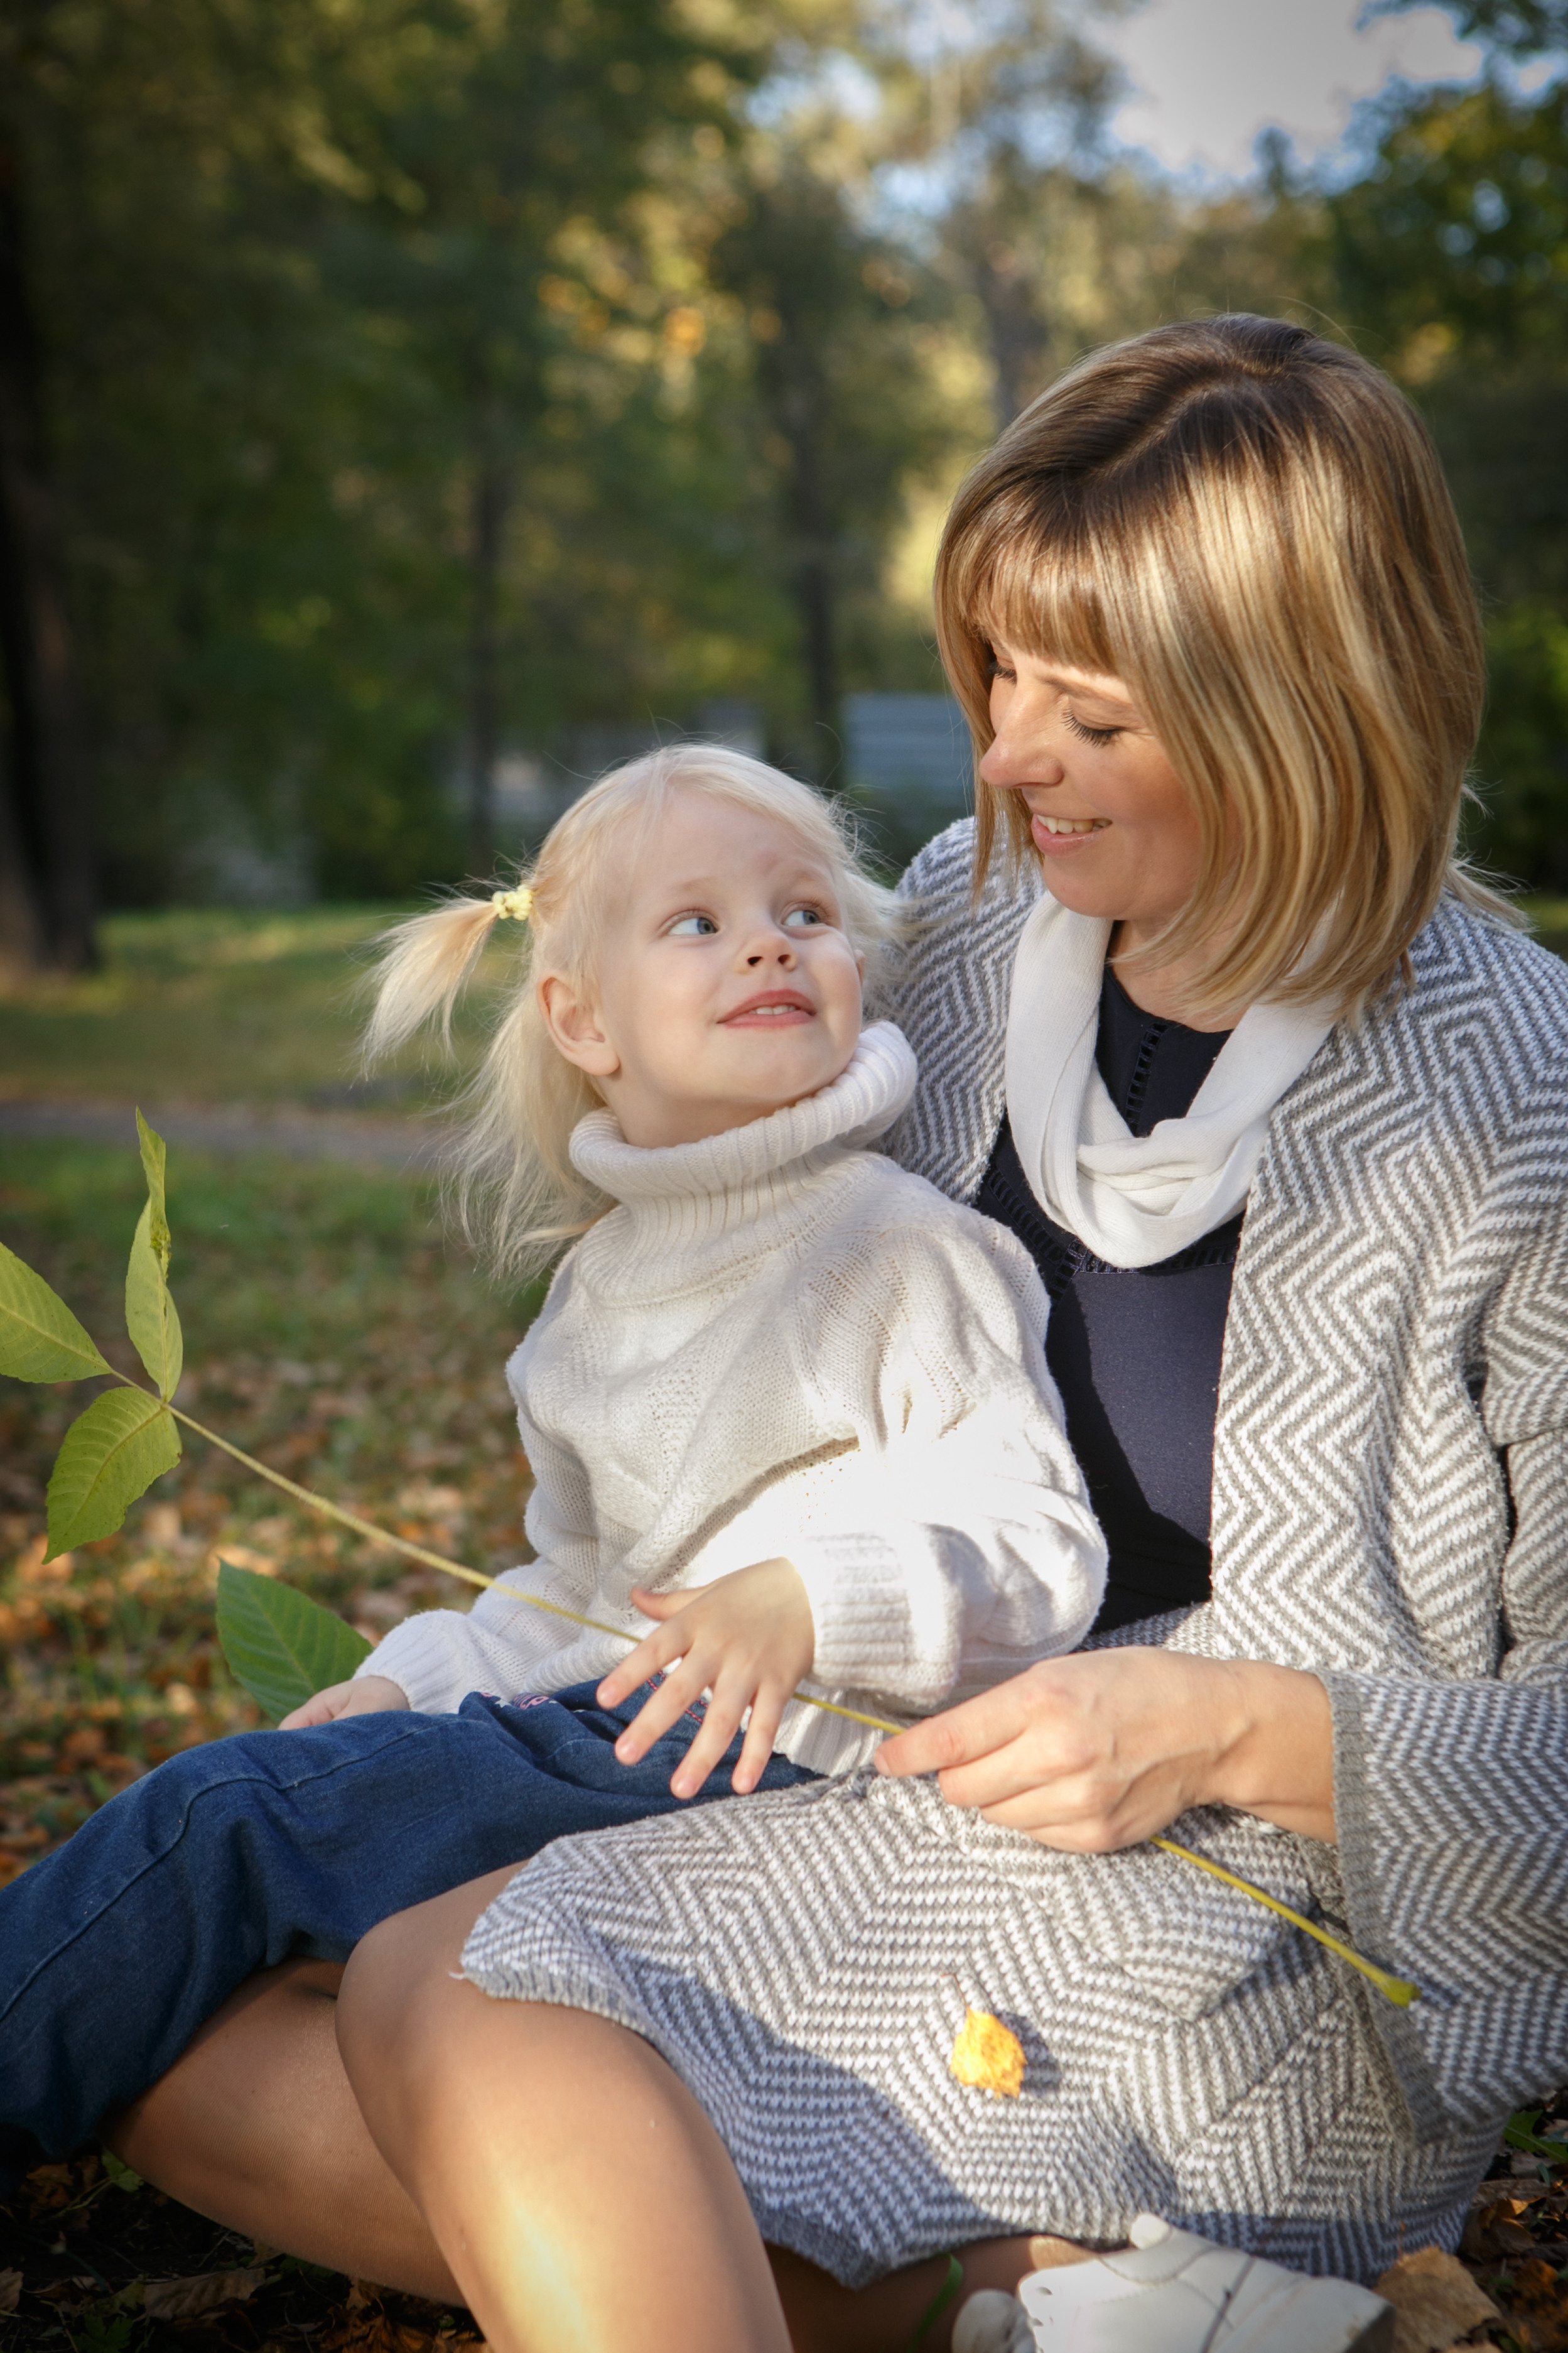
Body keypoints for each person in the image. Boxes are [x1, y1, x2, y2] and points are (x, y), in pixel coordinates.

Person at [141, 313, 1562, 2351]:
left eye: (1084, 712)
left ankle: (1128, 2257)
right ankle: (1052, 2296)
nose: (999, 759)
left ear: (1295, 703)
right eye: (992, 678)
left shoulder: (1516, 1099)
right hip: (856, 1771)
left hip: (1253, 1933)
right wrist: (448, 1677)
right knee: (186, 2026)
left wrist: (1234, 1726)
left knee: (450, 1994)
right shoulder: (968, 929)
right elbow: (704, 1274)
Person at [0, 745, 1108, 2227]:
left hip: (790, 1778)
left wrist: (811, 1598)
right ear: (581, 1019)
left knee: (228, 1823)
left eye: (803, 911)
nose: (771, 940)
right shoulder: (592, 1302)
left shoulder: (907, 1252)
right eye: (697, 923)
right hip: (604, 1745)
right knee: (279, 1867)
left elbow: (1042, 1544)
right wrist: (407, 1682)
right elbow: (569, 1596)